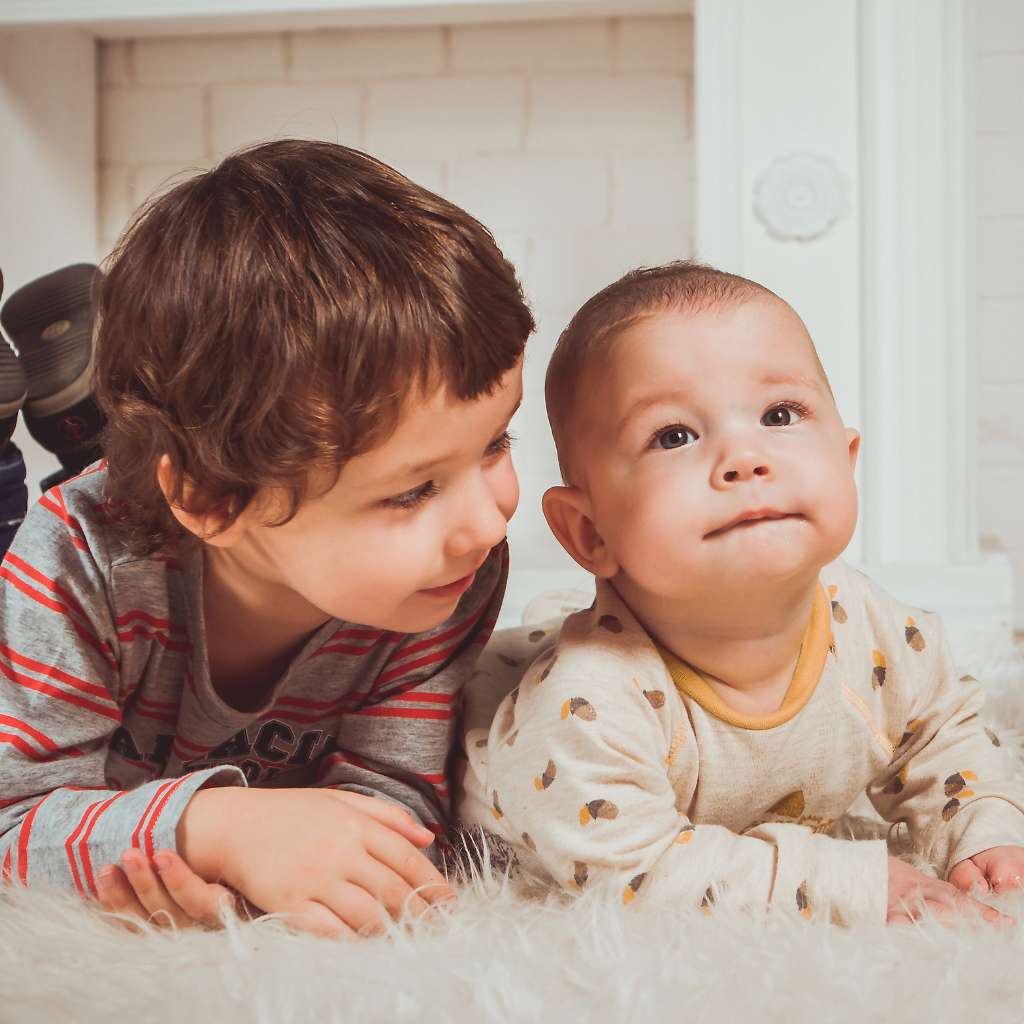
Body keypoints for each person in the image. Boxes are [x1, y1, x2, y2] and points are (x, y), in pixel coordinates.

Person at [0, 139, 533, 937]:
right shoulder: (73, 564)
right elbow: (12, 826)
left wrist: (284, 874)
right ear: (213, 499)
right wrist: (211, 830)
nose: (489, 522)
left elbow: (395, 805)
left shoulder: (446, 577)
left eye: (495, 444)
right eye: (413, 489)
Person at [457, 261, 1024, 927]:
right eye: (673, 435)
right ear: (589, 531)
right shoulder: (584, 705)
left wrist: (985, 828)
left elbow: (940, 735)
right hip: (491, 744)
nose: (744, 457)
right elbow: (635, 876)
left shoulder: (871, 625)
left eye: (780, 414)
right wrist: (843, 882)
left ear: (847, 460)